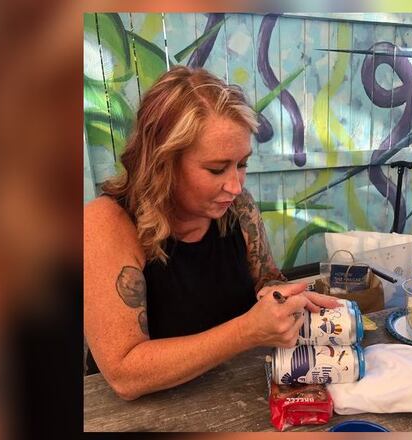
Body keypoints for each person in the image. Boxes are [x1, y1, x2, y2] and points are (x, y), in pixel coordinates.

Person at [83, 66, 340, 401]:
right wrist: (247, 331)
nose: (235, 186)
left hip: (233, 396)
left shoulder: (238, 208)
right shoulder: (106, 223)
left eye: (242, 164)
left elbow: (266, 280)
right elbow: (124, 373)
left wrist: (282, 300)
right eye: (217, 169)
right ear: (163, 163)